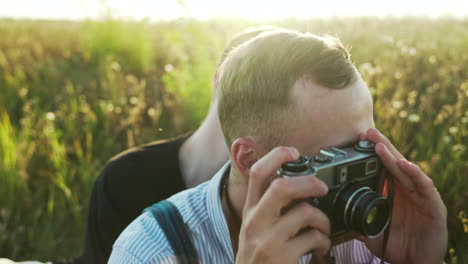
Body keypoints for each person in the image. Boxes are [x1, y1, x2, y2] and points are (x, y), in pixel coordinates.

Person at [109, 28, 448, 264]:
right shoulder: (154, 252)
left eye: (367, 149)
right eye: (338, 158)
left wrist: (424, 261)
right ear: (250, 159)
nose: (365, 174)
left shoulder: (377, 236)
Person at [70, 27, 279, 264]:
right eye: (258, 82)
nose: (266, 99)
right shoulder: (125, 179)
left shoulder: (280, 185)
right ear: (221, 77)